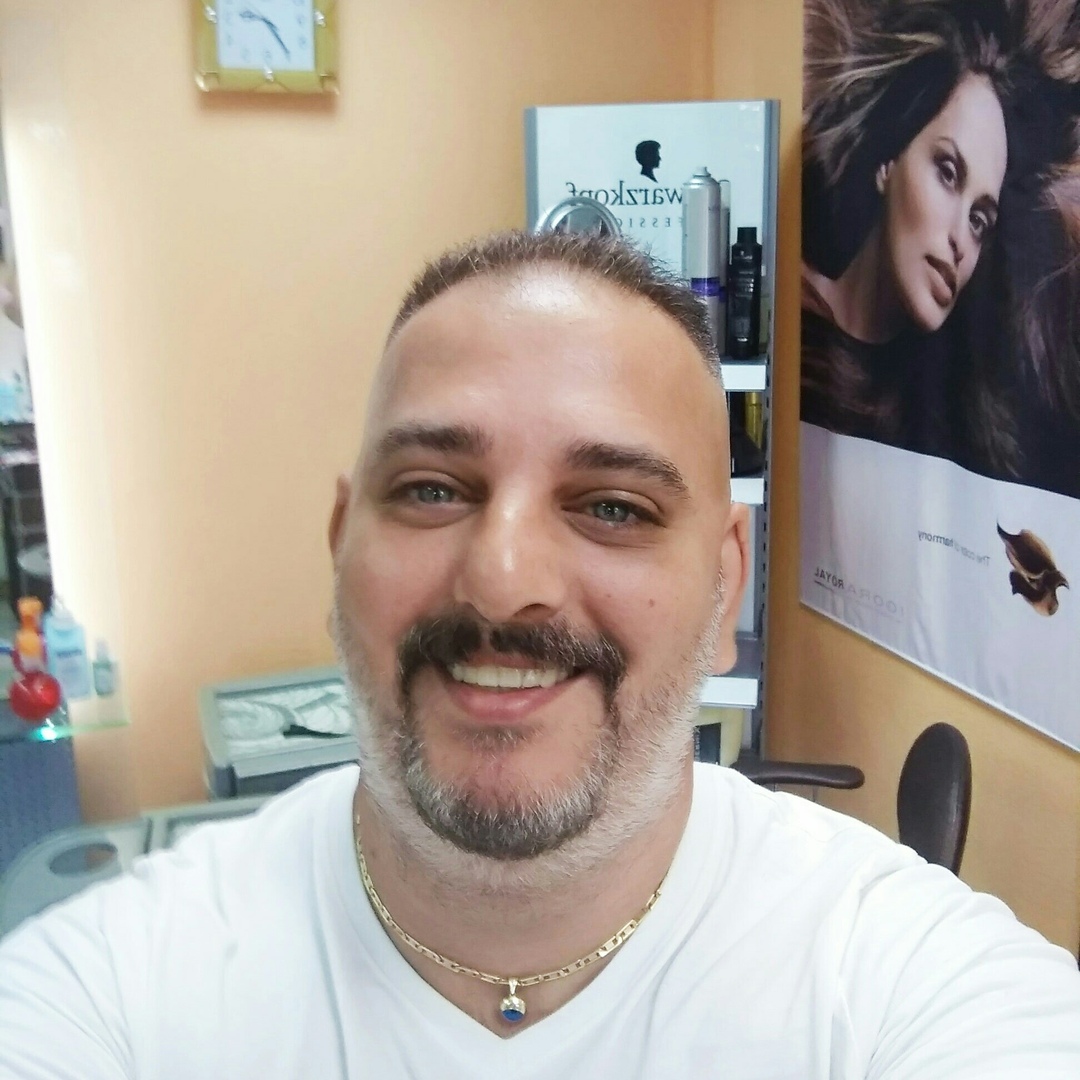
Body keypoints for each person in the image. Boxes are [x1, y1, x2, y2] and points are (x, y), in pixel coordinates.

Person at [1, 230, 1079, 1078]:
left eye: (613, 506)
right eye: (432, 489)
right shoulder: (113, 991)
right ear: (339, 549)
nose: (503, 577)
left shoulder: (898, 986)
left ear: (726, 586)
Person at [801, 0, 1080, 491]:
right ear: (889, 161)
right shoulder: (788, 322)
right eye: (948, 173)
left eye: (979, 220)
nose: (959, 240)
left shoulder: (955, 409)